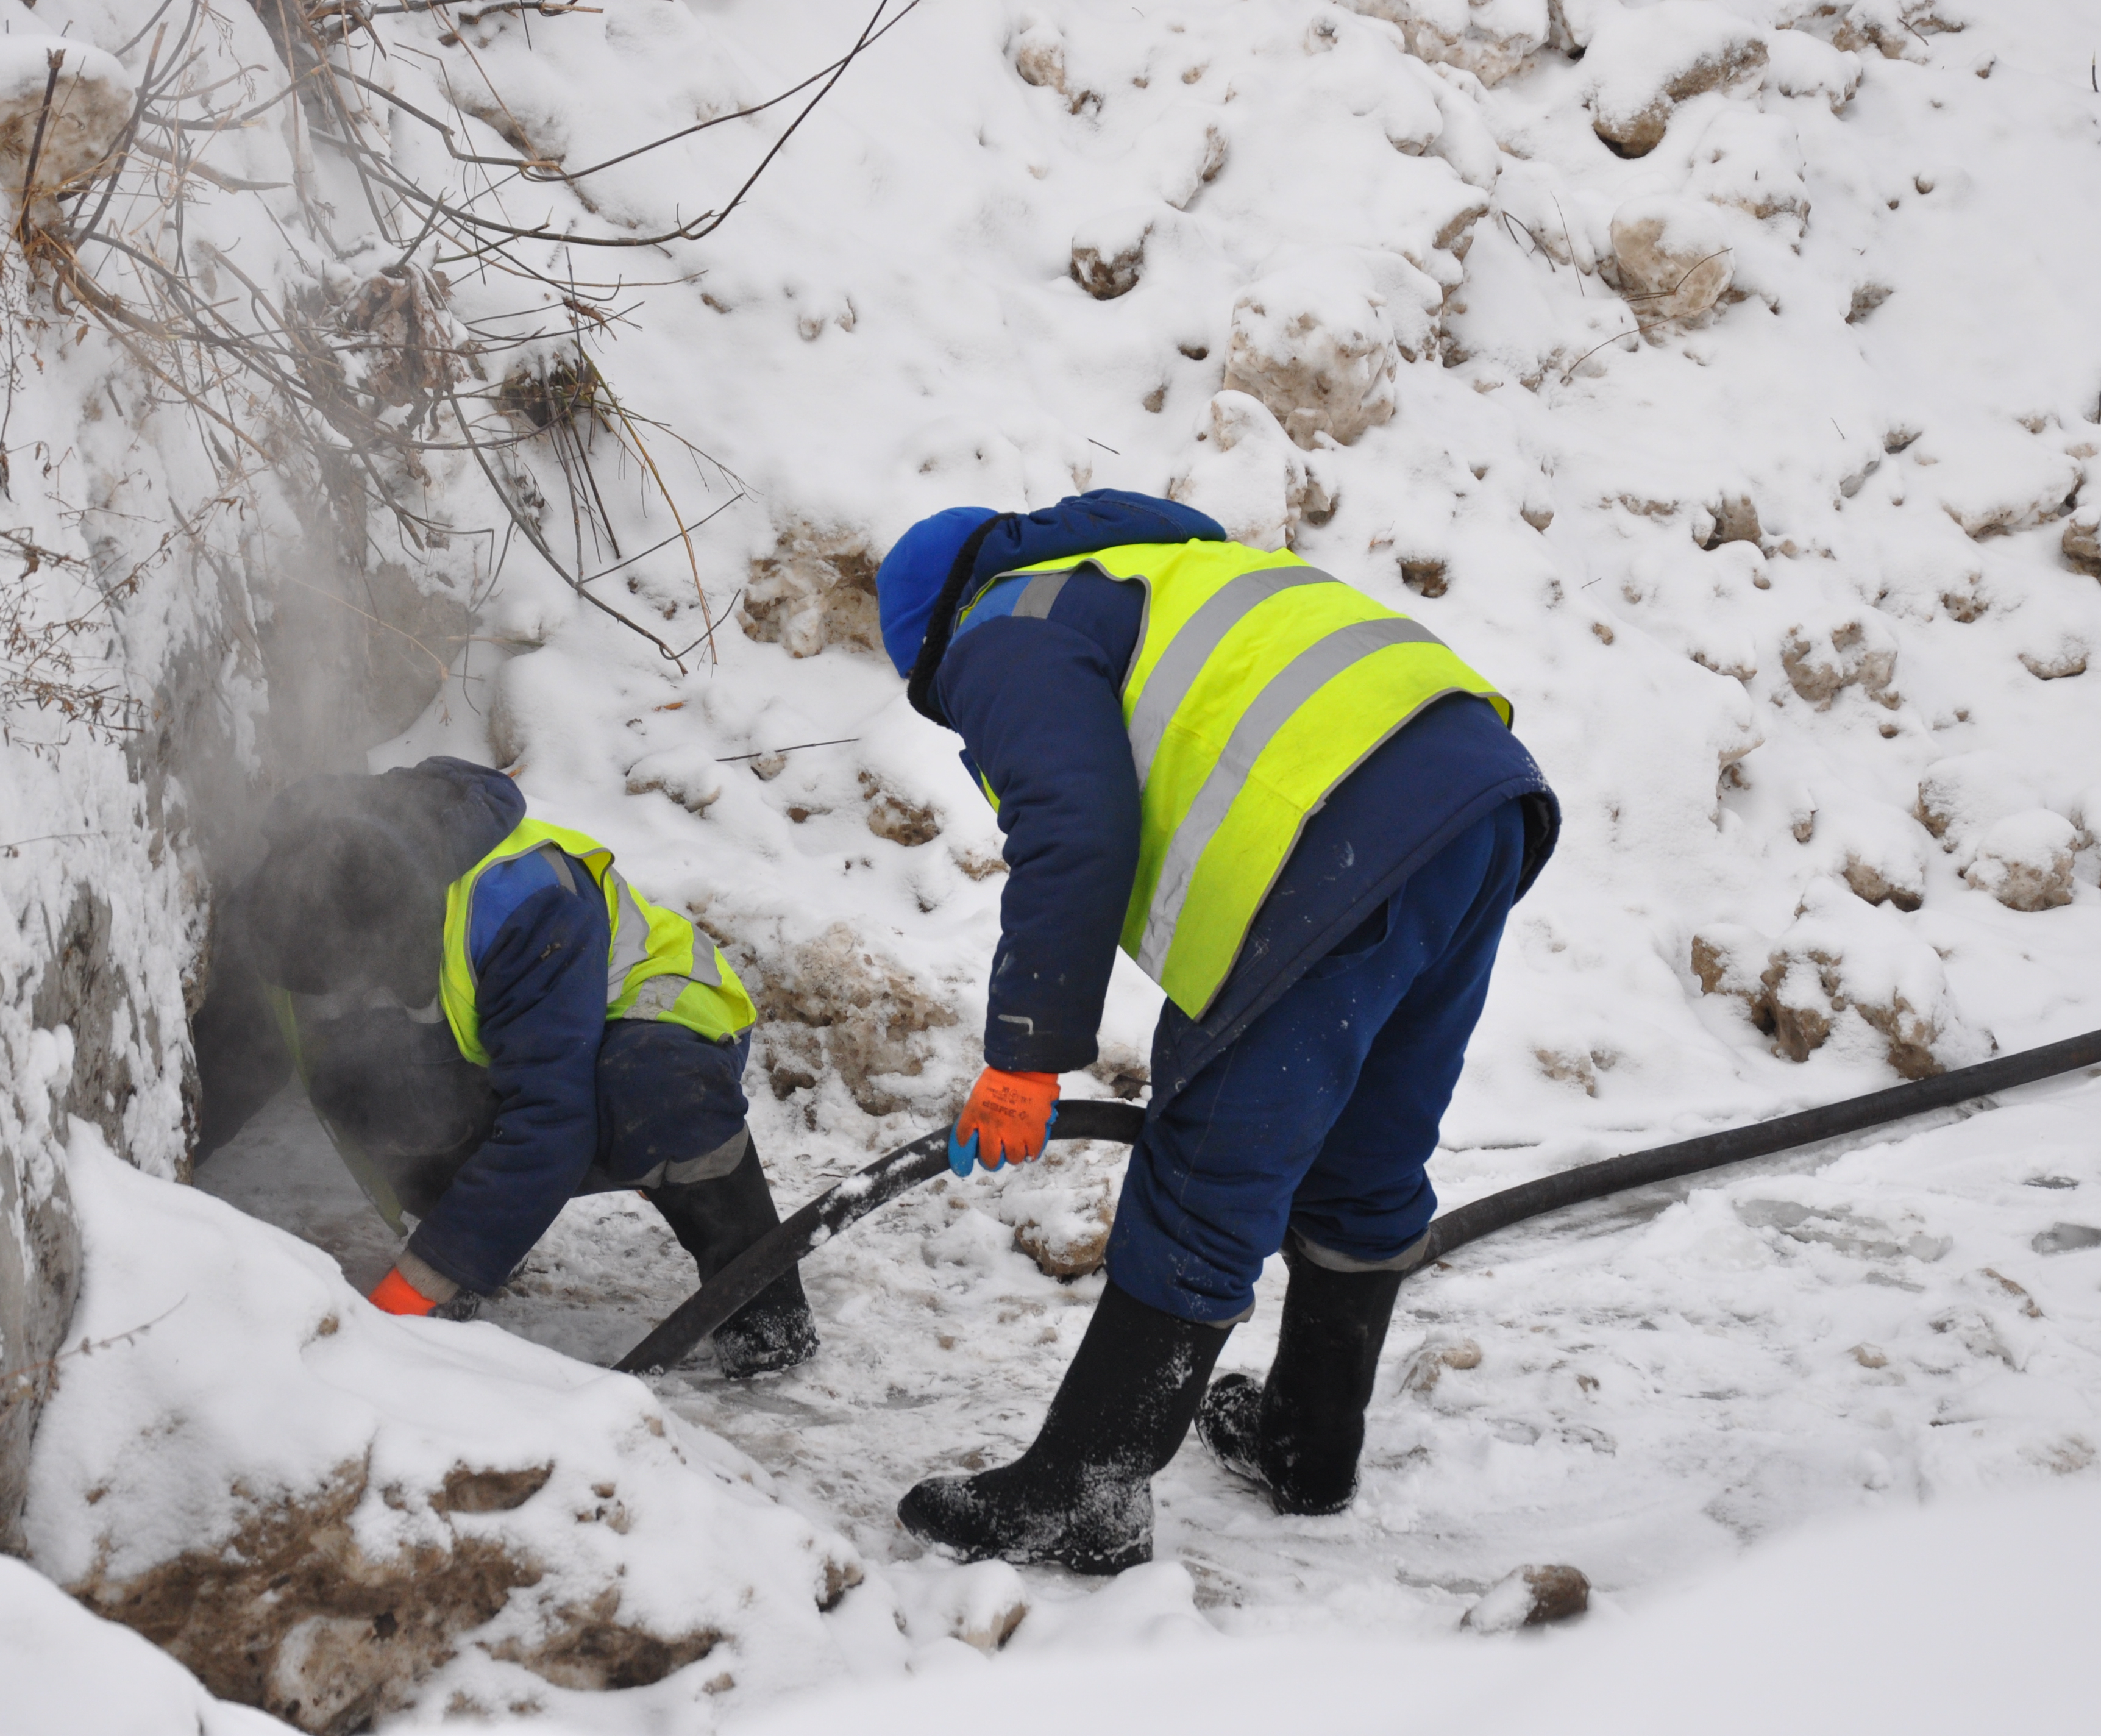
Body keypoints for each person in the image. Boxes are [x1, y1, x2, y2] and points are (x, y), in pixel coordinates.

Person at [877, 490, 1559, 1571]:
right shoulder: (1153, 572)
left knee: (1209, 1160)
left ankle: (1084, 1485)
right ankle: (1308, 1445)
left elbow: (1071, 819)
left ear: (931, 640)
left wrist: (1020, 1056)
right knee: (1367, 1147)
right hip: (1479, 800)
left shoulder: (1004, 622)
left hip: (1336, 824)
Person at [190, 755, 817, 1378]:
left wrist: (401, 1302)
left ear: (394, 935)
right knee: (364, 1073)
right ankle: (476, 1245)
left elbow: (552, 1120)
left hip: (658, 1028)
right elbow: (237, 1053)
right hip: (513, 1042)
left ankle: (763, 1310)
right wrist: (156, 1191)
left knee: (652, 1091)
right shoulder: (296, 890)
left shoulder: (524, 897)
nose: (332, 994)